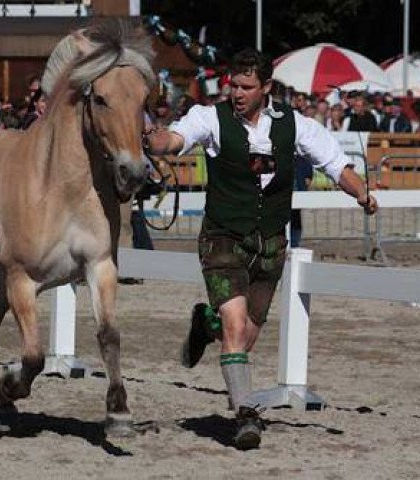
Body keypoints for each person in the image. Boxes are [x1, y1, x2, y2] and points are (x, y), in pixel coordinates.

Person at [145, 48, 378, 450]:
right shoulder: (209, 118)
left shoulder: (294, 124)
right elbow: (176, 139)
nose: (237, 93)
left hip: (270, 242)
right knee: (237, 329)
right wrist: (157, 140)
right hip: (222, 237)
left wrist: (363, 195)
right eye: (233, 85)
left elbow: (335, 164)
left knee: (246, 336)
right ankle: (245, 415)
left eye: (246, 87)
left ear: (266, 87)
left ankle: (207, 323)